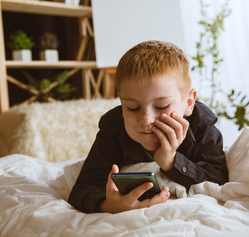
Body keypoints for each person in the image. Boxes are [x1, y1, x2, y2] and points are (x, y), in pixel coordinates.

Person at [68, 40, 228, 214]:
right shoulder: (113, 129)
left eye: (161, 106)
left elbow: (218, 179)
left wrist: (171, 162)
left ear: (189, 103)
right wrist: (107, 205)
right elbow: (85, 186)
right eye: (132, 108)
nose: (146, 119)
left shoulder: (202, 125)